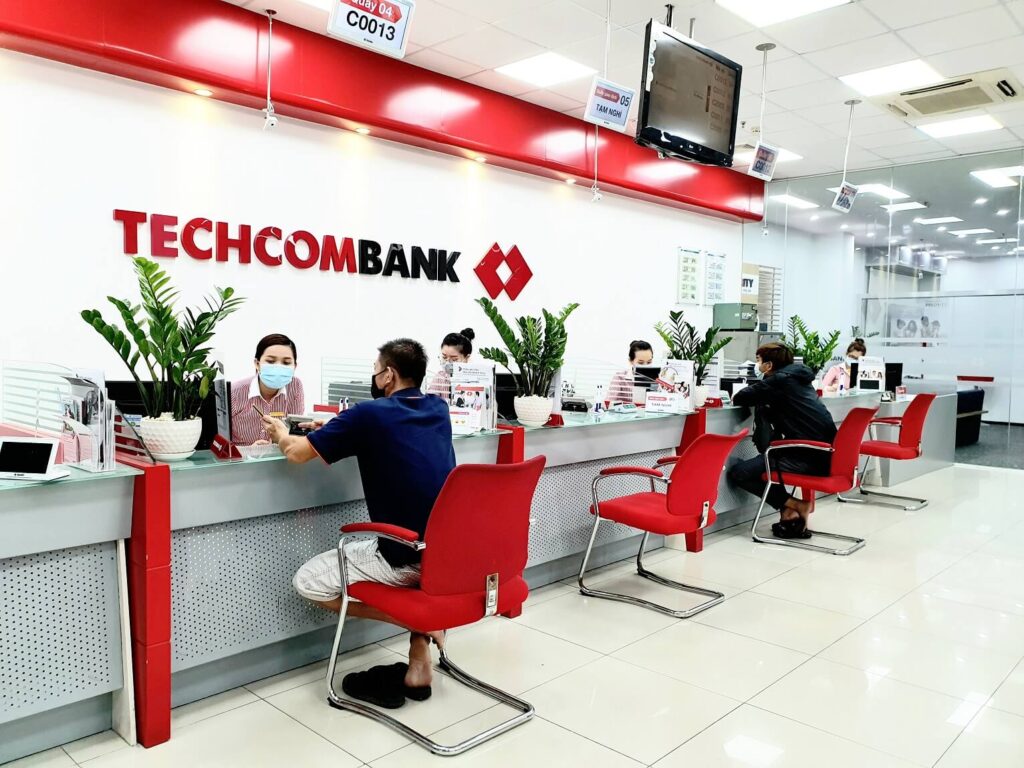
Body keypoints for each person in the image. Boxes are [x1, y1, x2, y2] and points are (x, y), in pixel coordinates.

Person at [261, 338, 455, 709]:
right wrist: (336, 426)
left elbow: (297, 454)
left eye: (376, 371)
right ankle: (419, 663)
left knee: (309, 582)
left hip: (401, 555)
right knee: (408, 564)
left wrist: (282, 434)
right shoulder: (438, 408)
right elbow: (392, 431)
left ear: (389, 375)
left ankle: (421, 620)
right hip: (444, 556)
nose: (374, 377)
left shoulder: (367, 416)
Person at [728, 343, 838, 540]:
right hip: (822, 454)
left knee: (740, 472)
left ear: (769, 365)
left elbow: (740, 397)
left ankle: (795, 505)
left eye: (759, 361)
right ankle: (788, 510)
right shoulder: (799, 378)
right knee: (761, 464)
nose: (757, 365)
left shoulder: (780, 380)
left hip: (806, 456)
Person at [231, 334, 305, 446]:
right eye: (270, 361)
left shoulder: (295, 386)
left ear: (295, 366)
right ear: (257, 364)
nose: (278, 367)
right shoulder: (235, 392)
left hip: (280, 455)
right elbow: (219, 443)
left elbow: (296, 435)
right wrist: (248, 451)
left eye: (286, 363)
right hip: (240, 456)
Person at [424, 328, 474, 399]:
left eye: (454, 359)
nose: (447, 363)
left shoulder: (474, 378)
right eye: (444, 357)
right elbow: (430, 401)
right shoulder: (440, 377)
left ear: (467, 358)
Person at [607, 340, 654, 404]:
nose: (645, 366)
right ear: (630, 361)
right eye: (640, 363)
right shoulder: (620, 377)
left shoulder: (656, 379)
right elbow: (608, 403)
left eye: (649, 362)